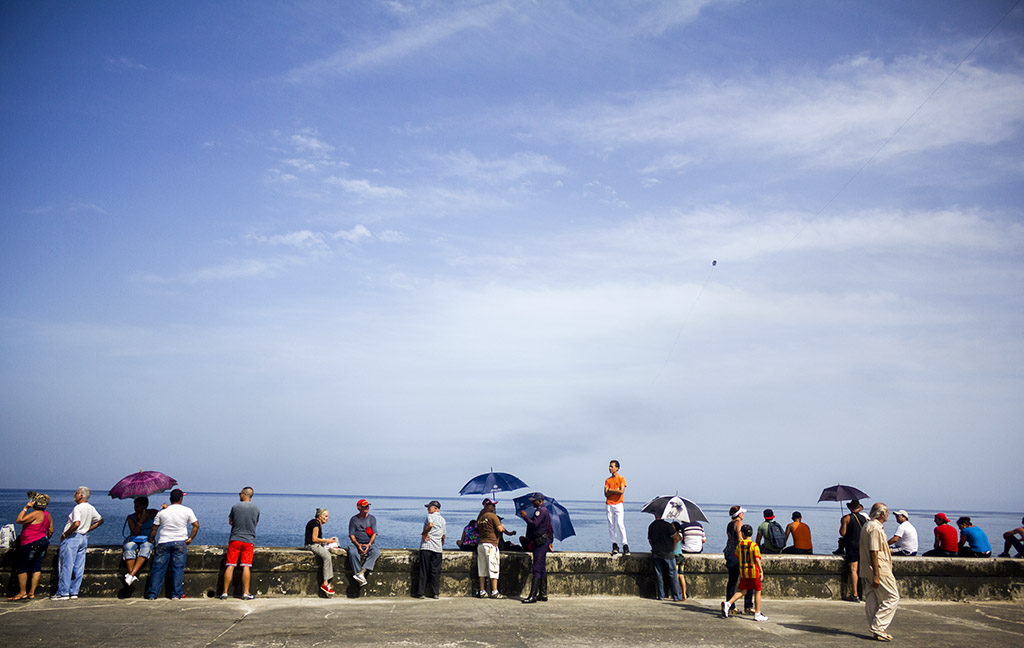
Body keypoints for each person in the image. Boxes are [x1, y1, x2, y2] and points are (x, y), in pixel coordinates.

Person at [145, 488, 199, 600]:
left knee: (158, 568)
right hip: (180, 541)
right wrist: (190, 538)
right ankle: (176, 593)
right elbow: (196, 525)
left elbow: (154, 528)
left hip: (164, 541)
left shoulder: (162, 512)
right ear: (181, 499)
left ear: (170, 499)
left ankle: (152, 594)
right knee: (178, 568)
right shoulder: (187, 510)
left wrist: (152, 539)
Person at [51, 486, 104, 601]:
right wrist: (88, 529)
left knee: (66, 565)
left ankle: (63, 592)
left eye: (76, 493)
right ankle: (74, 591)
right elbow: (100, 520)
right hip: (83, 537)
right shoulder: (90, 508)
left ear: (81, 495)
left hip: (73, 537)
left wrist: (66, 534)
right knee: (79, 566)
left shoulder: (77, 508)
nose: (74, 495)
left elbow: (76, 523)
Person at [859, 502, 899, 642]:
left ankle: (876, 628)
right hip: (879, 569)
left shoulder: (867, 526)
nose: (888, 515)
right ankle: (878, 626)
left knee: (872, 598)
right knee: (892, 597)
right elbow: (874, 552)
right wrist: (877, 574)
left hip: (867, 568)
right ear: (882, 514)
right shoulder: (875, 528)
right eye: (887, 512)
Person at [8, 493, 52, 600]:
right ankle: (32, 592)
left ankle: (22, 592)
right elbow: (51, 530)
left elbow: (19, 520)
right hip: (43, 541)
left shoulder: (35, 514)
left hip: (30, 541)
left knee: (21, 567)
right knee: (36, 567)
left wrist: (25, 508)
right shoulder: (47, 515)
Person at [220, 486, 260, 600]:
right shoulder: (256, 509)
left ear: (244, 494)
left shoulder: (235, 507)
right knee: (246, 566)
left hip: (235, 539)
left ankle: (225, 592)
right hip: (249, 540)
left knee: (230, 565)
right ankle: (246, 593)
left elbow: (230, 521)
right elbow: (255, 523)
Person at [721, 524, 768, 622]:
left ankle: (728, 603)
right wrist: (761, 571)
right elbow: (757, 559)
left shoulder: (740, 545)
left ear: (742, 534)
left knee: (743, 591)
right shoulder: (754, 546)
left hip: (744, 572)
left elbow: (737, 556)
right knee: (758, 591)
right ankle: (757, 613)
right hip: (753, 571)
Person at [475, 498, 516, 598]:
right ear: (487, 505)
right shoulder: (493, 516)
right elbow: (499, 529)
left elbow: (477, 528)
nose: (494, 507)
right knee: (493, 568)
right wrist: (502, 526)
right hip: (491, 545)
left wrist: (509, 533)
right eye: (492, 505)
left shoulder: (480, 517)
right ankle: (494, 591)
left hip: (481, 544)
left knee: (482, 569)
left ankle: (482, 591)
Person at [520, 492, 553, 604]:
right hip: (541, 542)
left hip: (540, 543)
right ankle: (543, 593)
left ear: (540, 501)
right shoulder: (543, 511)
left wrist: (525, 517)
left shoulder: (541, 511)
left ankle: (532, 596)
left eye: (534, 500)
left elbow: (534, 524)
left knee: (537, 569)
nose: (532, 502)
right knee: (542, 568)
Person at [723, 506, 753, 613]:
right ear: (739, 514)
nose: (743, 515)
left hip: (729, 553)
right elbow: (740, 539)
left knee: (732, 581)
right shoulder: (739, 523)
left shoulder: (729, 524)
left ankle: (731, 606)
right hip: (737, 554)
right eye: (742, 513)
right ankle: (748, 606)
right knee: (748, 579)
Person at [122, 496, 158, 586]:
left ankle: (131, 575)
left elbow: (163, 514)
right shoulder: (131, 517)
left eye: (138, 506)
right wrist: (140, 522)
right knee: (129, 547)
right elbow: (135, 531)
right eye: (135, 506)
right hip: (135, 537)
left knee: (146, 547)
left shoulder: (152, 513)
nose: (136, 508)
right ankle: (132, 574)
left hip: (147, 538)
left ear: (144, 506)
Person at [648, 513, 682, 601]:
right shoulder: (667, 526)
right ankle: (676, 596)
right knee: (672, 574)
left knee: (659, 574)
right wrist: (673, 548)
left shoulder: (651, 526)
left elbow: (650, 540)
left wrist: (654, 547)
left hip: (656, 553)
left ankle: (661, 595)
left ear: (655, 516)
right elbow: (676, 538)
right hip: (668, 553)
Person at [416, 500, 446, 599]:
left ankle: (421, 592)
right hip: (437, 548)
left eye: (430, 507)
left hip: (427, 546)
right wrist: (440, 544)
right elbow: (443, 536)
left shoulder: (430, 516)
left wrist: (424, 533)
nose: (428, 509)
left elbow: (430, 525)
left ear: (436, 509)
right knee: (435, 572)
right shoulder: (442, 520)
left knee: (424, 570)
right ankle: (435, 593)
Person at [305, 508, 338, 596]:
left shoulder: (317, 523)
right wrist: (326, 541)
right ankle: (325, 583)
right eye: (326, 516)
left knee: (335, 539)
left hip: (316, 544)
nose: (327, 518)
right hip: (311, 545)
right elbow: (314, 539)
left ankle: (335, 548)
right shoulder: (315, 524)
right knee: (327, 556)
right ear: (320, 517)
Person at [348, 499, 379, 587]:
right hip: (356, 543)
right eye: (364, 506)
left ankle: (362, 572)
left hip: (369, 543)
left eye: (367, 506)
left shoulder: (372, 518)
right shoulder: (354, 519)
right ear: (359, 508)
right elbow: (351, 535)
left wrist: (369, 544)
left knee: (376, 552)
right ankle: (360, 575)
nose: (367, 508)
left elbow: (374, 533)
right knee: (353, 553)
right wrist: (358, 545)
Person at [839, 499, 867, 602]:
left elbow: (842, 532)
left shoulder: (846, 518)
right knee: (862, 571)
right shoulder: (864, 518)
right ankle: (863, 594)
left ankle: (854, 594)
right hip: (863, 547)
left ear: (850, 507)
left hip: (852, 547)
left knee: (853, 570)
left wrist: (842, 522)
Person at [605, 460, 629, 556]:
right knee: (611, 525)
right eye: (609, 466)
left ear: (617, 468)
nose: (610, 468)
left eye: (612, 466)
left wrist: (611, 490)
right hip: (609, 504)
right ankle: (614, 544)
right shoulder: (608, 480)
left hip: (618, 503)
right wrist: (615, 490)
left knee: (620, 524)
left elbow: (621, 491)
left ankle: (625, 544)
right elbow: (606, 493)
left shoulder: (621, 478)